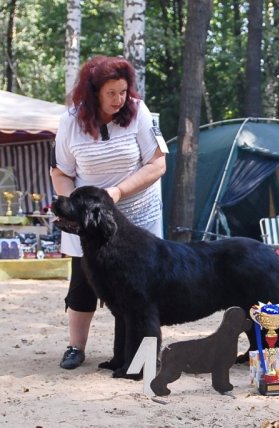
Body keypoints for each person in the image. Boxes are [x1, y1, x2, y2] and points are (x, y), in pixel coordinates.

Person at [51, 55, 167, 370]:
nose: (119, 100)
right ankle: (76, 347)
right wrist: (73, 207)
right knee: (83, 282)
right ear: (93, 94)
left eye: (123, 92)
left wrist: (116, 193)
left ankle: (132, 358)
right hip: (89, 219)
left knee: (136, 289)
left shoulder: (139, 112)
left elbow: (158, 163)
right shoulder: (70, 121)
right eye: (111, 93)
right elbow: (60, 172)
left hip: (138, 216)